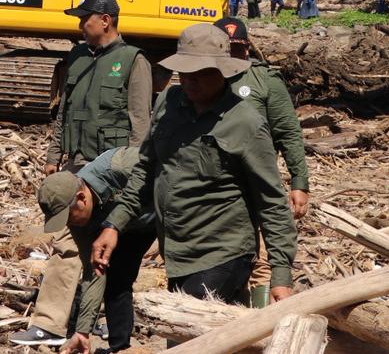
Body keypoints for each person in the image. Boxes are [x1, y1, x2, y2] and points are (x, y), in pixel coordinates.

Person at [93, 23, 297, 305]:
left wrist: (281, 275)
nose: (189, 80)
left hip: (222, 252)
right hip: (177, 253)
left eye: (200, 73)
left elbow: (271, 202)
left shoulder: (245, 123)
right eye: (184, 72)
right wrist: (113, 225)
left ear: (223, 71)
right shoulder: (168, 104)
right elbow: (146, 170)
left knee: (188, 335)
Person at [18, 0, 153, 348]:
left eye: (85, 18)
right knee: (66, 243)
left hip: (115, 175)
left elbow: (140, 122)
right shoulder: (77, 57)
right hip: (77, 169)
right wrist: (53, 154)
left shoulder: (132, 61)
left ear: (106, 19)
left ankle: (102, 323)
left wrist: (137, 175)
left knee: (110, 250)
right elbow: (63, 113)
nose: (80, 25)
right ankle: (50, 322)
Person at [213, 17, 310, 306]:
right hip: (218, 186)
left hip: (258, 180)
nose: (232, 54)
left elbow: (289, 133)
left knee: (265, 259)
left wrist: (299, 182)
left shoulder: (263, 80)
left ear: (246, 47)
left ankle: (259, 323)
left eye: (238, 48)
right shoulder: (206, 80)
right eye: (225, 48)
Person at [35, 148, 157, 354]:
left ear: (82, 198)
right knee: (116, 278)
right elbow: (94, 272)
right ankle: (120, 347)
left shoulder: (121, 166)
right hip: (127, 227)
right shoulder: (79, 221)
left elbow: (176, 174)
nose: (70, 224)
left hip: (167, 213)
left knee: (183, 273)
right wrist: (83, 331)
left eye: (70, 217)